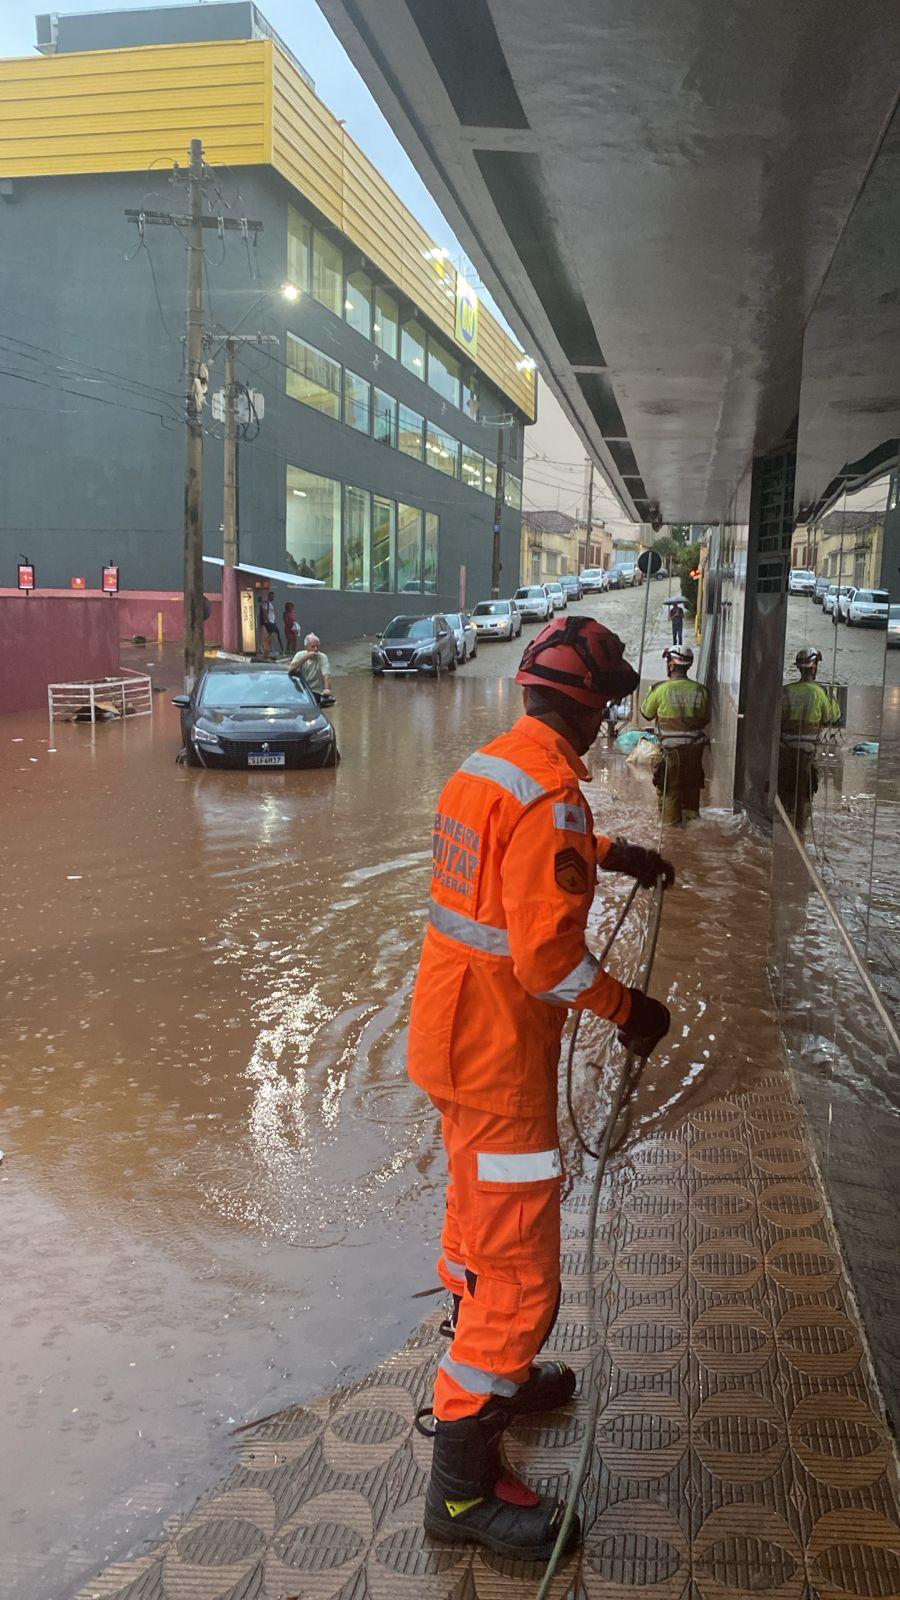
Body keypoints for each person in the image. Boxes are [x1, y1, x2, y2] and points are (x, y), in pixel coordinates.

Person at [408, 615, 674, 1562]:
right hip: (502, 1059)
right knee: (520, 1270)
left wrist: (612, 857)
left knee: (475, 1220)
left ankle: (495, 1376)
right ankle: (464, 1493)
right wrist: (629, 1009)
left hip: (449, 1039)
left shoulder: (489, 770)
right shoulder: (553, 795)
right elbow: (549, 960)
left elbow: (511, 868)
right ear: (593, 709)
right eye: (606, 709)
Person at [640, 646, 710, 824]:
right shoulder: (701, 691)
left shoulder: (659, 689)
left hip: (671, 754)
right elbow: (705, 718)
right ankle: (694, 838)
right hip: (694, 754)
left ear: (671, 664)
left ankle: (673, 843)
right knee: (692, 794)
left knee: (670, 794)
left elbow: (646, 713)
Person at [778, 647, 841, 831]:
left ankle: (784, 830)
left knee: (784, 791)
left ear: (799, 668)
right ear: (815, 668)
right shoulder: (820, 692)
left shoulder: (786, 691)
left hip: (785, 752)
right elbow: (832, 717)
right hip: (807, 753)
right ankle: (800, 832)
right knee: (805, 794)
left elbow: (776, 718)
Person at [289, 632, 334, 704]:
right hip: (302, 690)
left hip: (316, 691)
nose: (315, 649)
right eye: (312, 647)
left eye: (317, 646)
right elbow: (290, 668)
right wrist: (306, 658)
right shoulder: (300, 655)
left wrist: (327, 689)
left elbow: (327, 676)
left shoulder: (322, 657)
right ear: (306, 647)